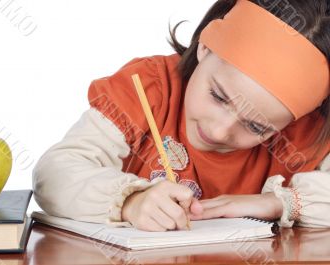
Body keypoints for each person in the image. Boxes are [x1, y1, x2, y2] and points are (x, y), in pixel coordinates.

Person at [32, 0, 330, 232]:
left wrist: (277, 203)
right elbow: (54, 174)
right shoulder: (148, 88)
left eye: (255, 126)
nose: (219, 131)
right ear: (204, 46)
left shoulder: (304, 133)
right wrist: (130, 201)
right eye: (218, 96)